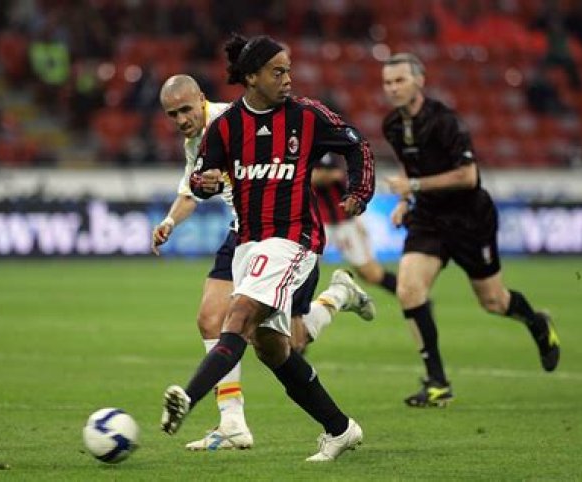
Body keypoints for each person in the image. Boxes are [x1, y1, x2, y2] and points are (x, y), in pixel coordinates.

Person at [159, 34, 376, 462]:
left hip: (294, 238)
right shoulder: (225, 128)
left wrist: (359, 191)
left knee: (235, 315)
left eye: (288, 70)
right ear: (252, 77)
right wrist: (205, 184)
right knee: (273, 347)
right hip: (248, 243)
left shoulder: (307, 115)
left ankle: (190, 397)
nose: (288, 79)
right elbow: (201, 178)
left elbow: (356, 144)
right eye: (279, 72)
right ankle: (340, 429)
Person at [380, 53, 561, 408]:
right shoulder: (392, 125)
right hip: (428, 218)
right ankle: (437, 383)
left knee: (494, 301)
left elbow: (468, 176)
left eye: (400, 80)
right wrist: (405, 201)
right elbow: (408, 166)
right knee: (408, 289)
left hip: (469, 219)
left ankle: (537, 323)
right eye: (387, 82)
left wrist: (413, 186)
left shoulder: (445, 121)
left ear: (420, 80)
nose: (393, 88)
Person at [314, 154, 398, 297]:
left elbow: (337, 176)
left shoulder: (329, 159)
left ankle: (409, 293)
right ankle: (295, 305)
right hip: (320, 225)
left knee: (370, 274)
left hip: (346, 224)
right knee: (304, 267)